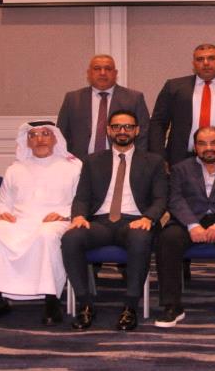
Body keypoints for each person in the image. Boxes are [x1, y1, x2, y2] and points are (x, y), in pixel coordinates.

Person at [61, 109, 167, 331]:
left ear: (137, 131)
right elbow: (82, 197)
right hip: (100, 223)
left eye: (128, 127)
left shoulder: (153, 161)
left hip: (134, 221)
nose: (122, 131)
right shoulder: (92, 161)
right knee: (71, 238)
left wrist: (149, 218)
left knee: (140, 238)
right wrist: (78, 215)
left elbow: (160, 198)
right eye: (117, 126)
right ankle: (85, 304)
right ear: (108, 130)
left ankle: (130, 307)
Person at [0, 121, 81, 326]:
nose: (39, 139)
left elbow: (82, 201)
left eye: (45, 134)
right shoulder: (16, 169)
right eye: (33, 135)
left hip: (57, 221)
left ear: (55, 138)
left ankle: (51, 301)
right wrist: (3, 213)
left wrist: (64, 215)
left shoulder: (73, 167)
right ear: (27, 142)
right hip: (19, 221)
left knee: (46, 235)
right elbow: (2, 201)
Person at [155, 126, 215, 330]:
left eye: (214, 143)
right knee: (168, 238)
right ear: (195, 147)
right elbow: (175, 200)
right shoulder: (180, 169)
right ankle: (172, 306)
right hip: (189, 220)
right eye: (202, 143)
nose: (208, 148)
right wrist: (192, 225)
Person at [57, 54, 150, 159]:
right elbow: (61, 134)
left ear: (115, 73)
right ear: (89, 73)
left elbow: (142, 135)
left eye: (108, 69)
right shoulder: (73, 99)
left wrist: (136, 161)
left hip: (121, 162)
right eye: (97, 69)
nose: (102, 73)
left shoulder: (134, 98)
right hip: (79, 162)